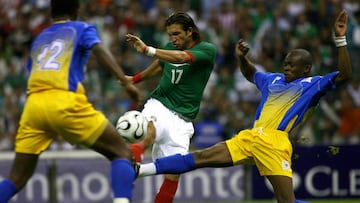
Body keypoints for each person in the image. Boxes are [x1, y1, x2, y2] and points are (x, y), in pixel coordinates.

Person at [136, 10, 351, 203]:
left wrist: (340, 39)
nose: (286, 68)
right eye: (285, 63)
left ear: (306, 69)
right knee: (200, 157)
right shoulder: (273, 80)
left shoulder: (312, 85)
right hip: (251, 137)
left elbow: (344, 75)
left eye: (292, 66)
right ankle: (139, 169)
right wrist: (242, 58)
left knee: (286, 201)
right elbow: (251, 74)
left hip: (275, 142)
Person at [0, 0, 142, 203]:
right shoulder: (81, 28)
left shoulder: (40, 38)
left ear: (51, 13)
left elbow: (33, 70)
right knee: (121, 152)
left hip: (33, 106)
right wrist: (125, 81)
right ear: (77, 10)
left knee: (17, 177)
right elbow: (99, 50)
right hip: (63, 101)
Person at [126, 12, 217, 203]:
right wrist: (134, 79)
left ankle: (136, 172)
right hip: (160, 104)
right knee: (148, 132)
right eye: (170, 35)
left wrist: (147, 50)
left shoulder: (207, 50)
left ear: (190, 31)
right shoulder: (169, 48)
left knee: (174, 172)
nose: (172, 39)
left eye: (176, 34)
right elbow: (160, 65)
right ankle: (128, 169)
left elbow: (180, 58)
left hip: (183, 120)